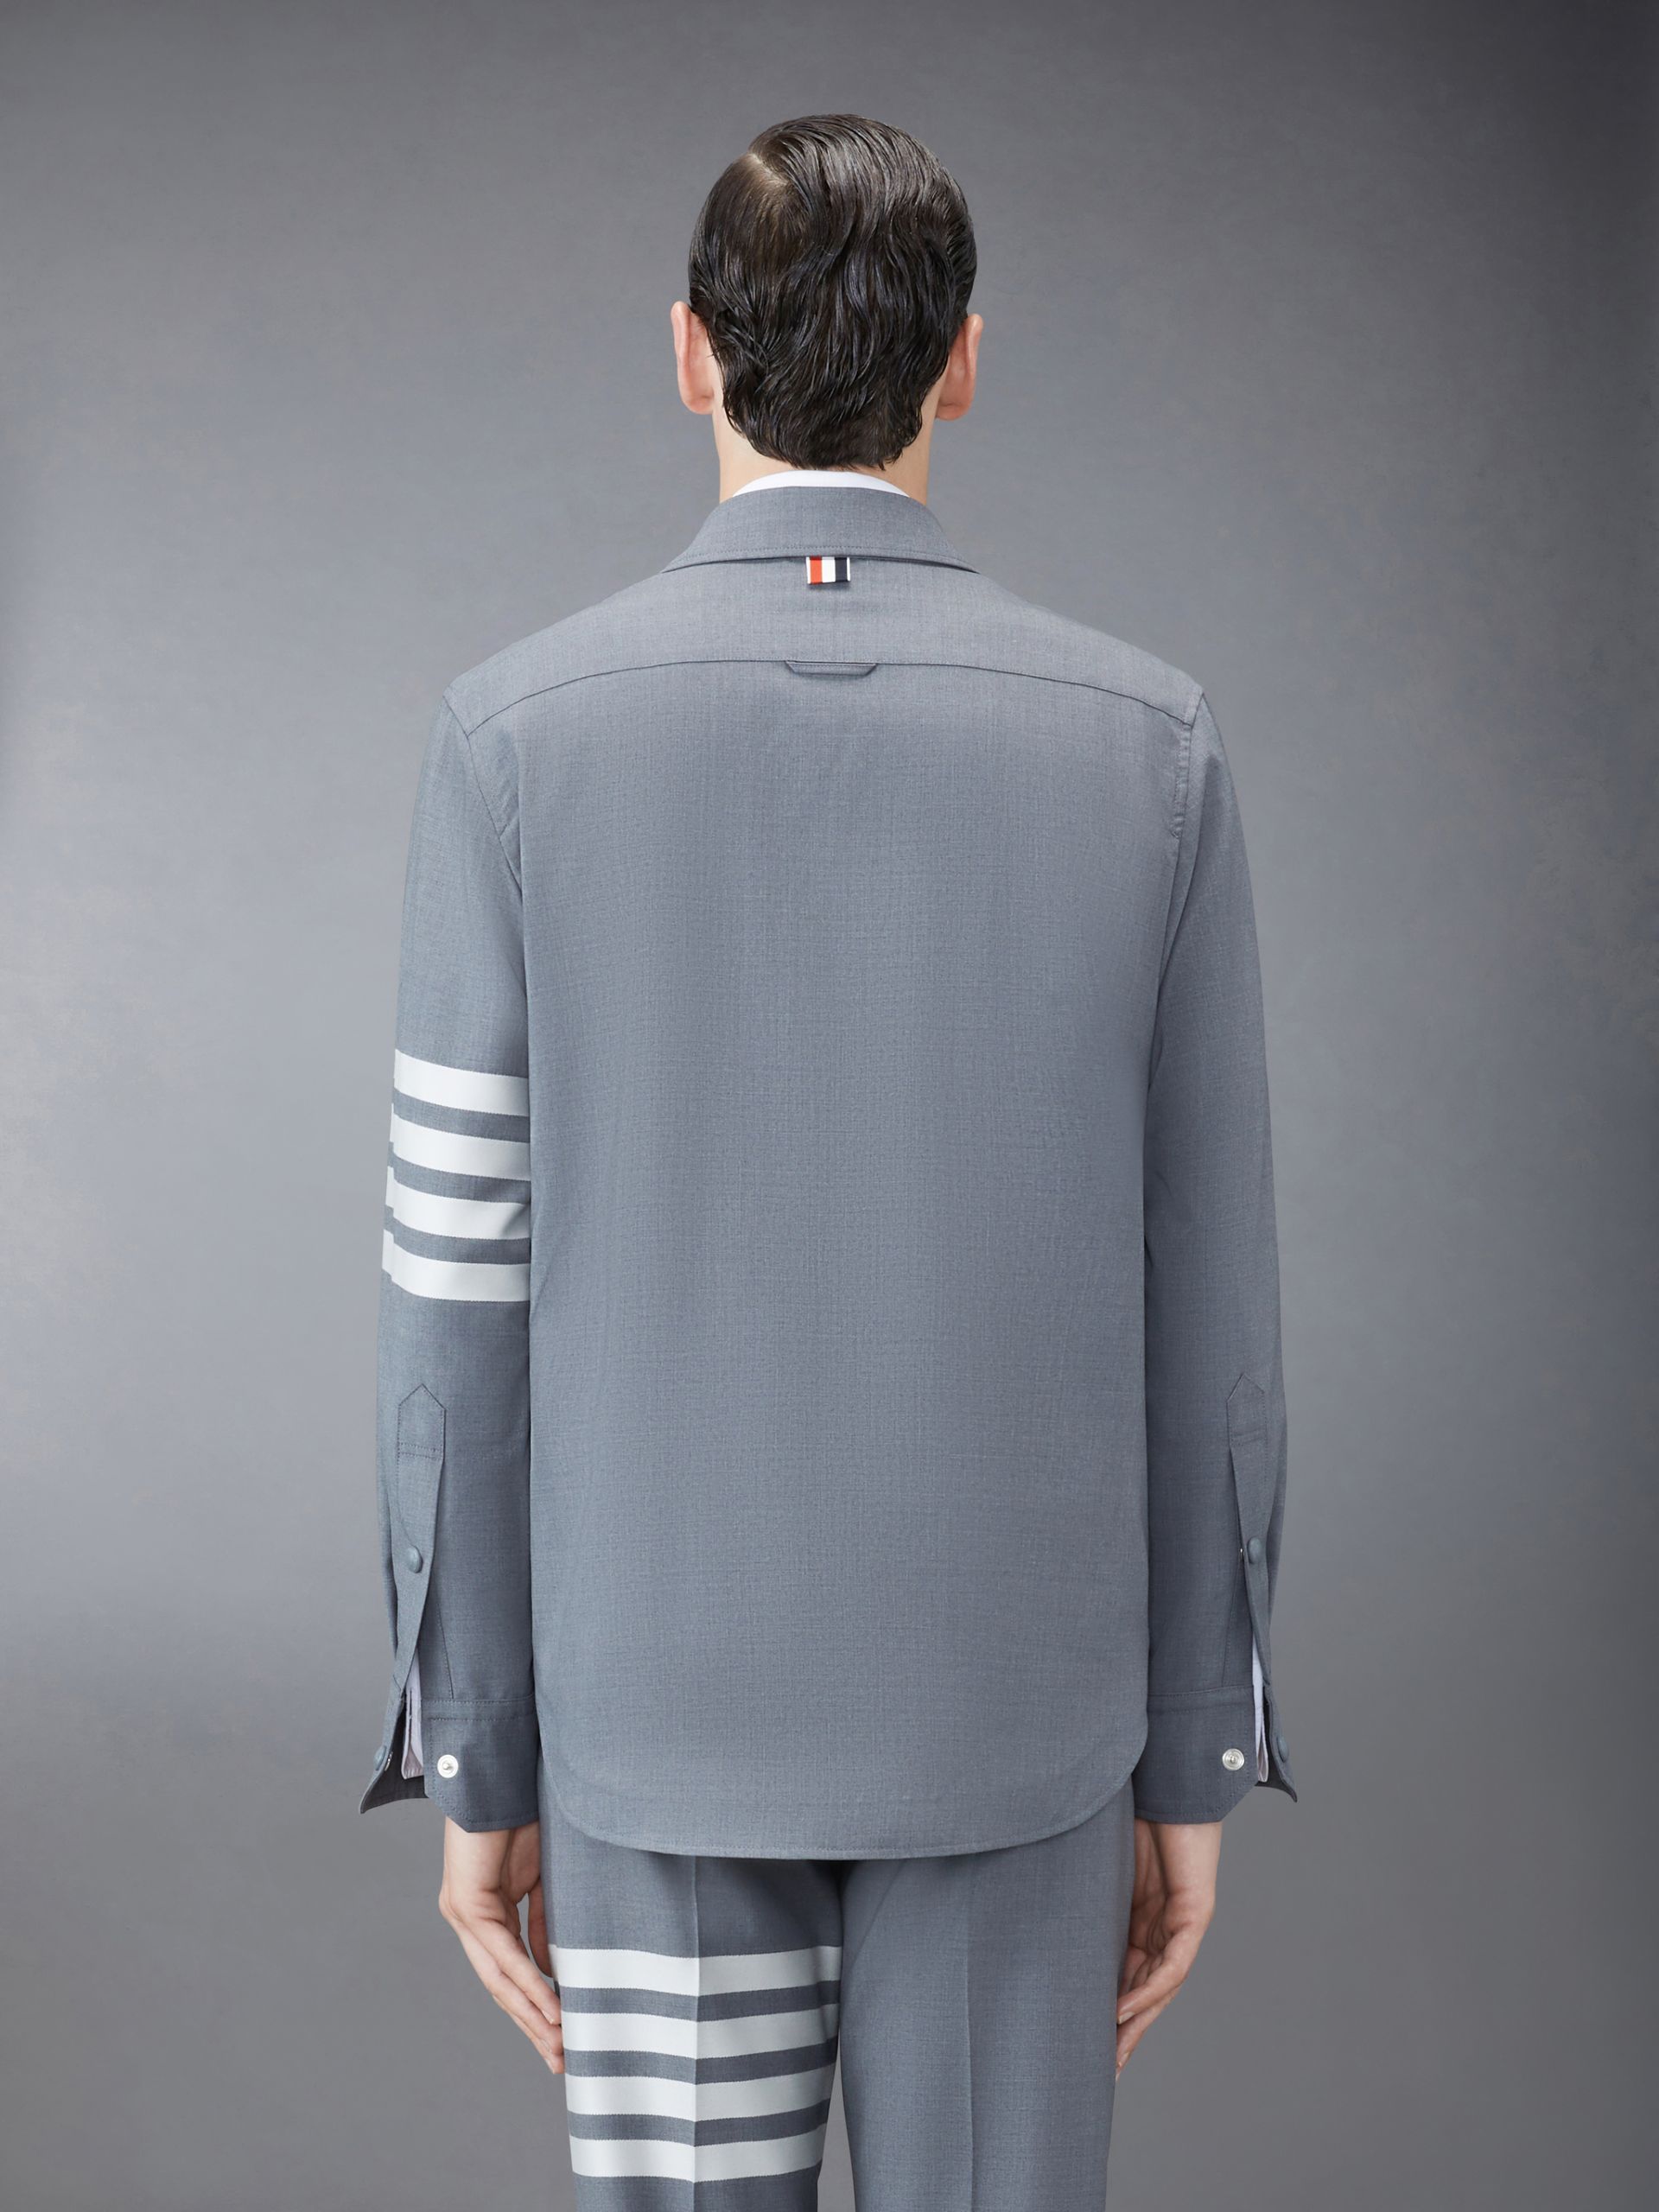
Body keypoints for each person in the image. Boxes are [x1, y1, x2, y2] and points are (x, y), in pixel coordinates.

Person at [360, 111, 1296, 2207]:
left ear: (689, 352)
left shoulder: (511, 739)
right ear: (963, 364)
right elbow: (1209, 1291)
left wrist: (474, 1741)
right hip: (1022, 1723)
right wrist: (1196, 1747)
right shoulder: (1150, 741)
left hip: (649, 1724)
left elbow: (457, 1291)